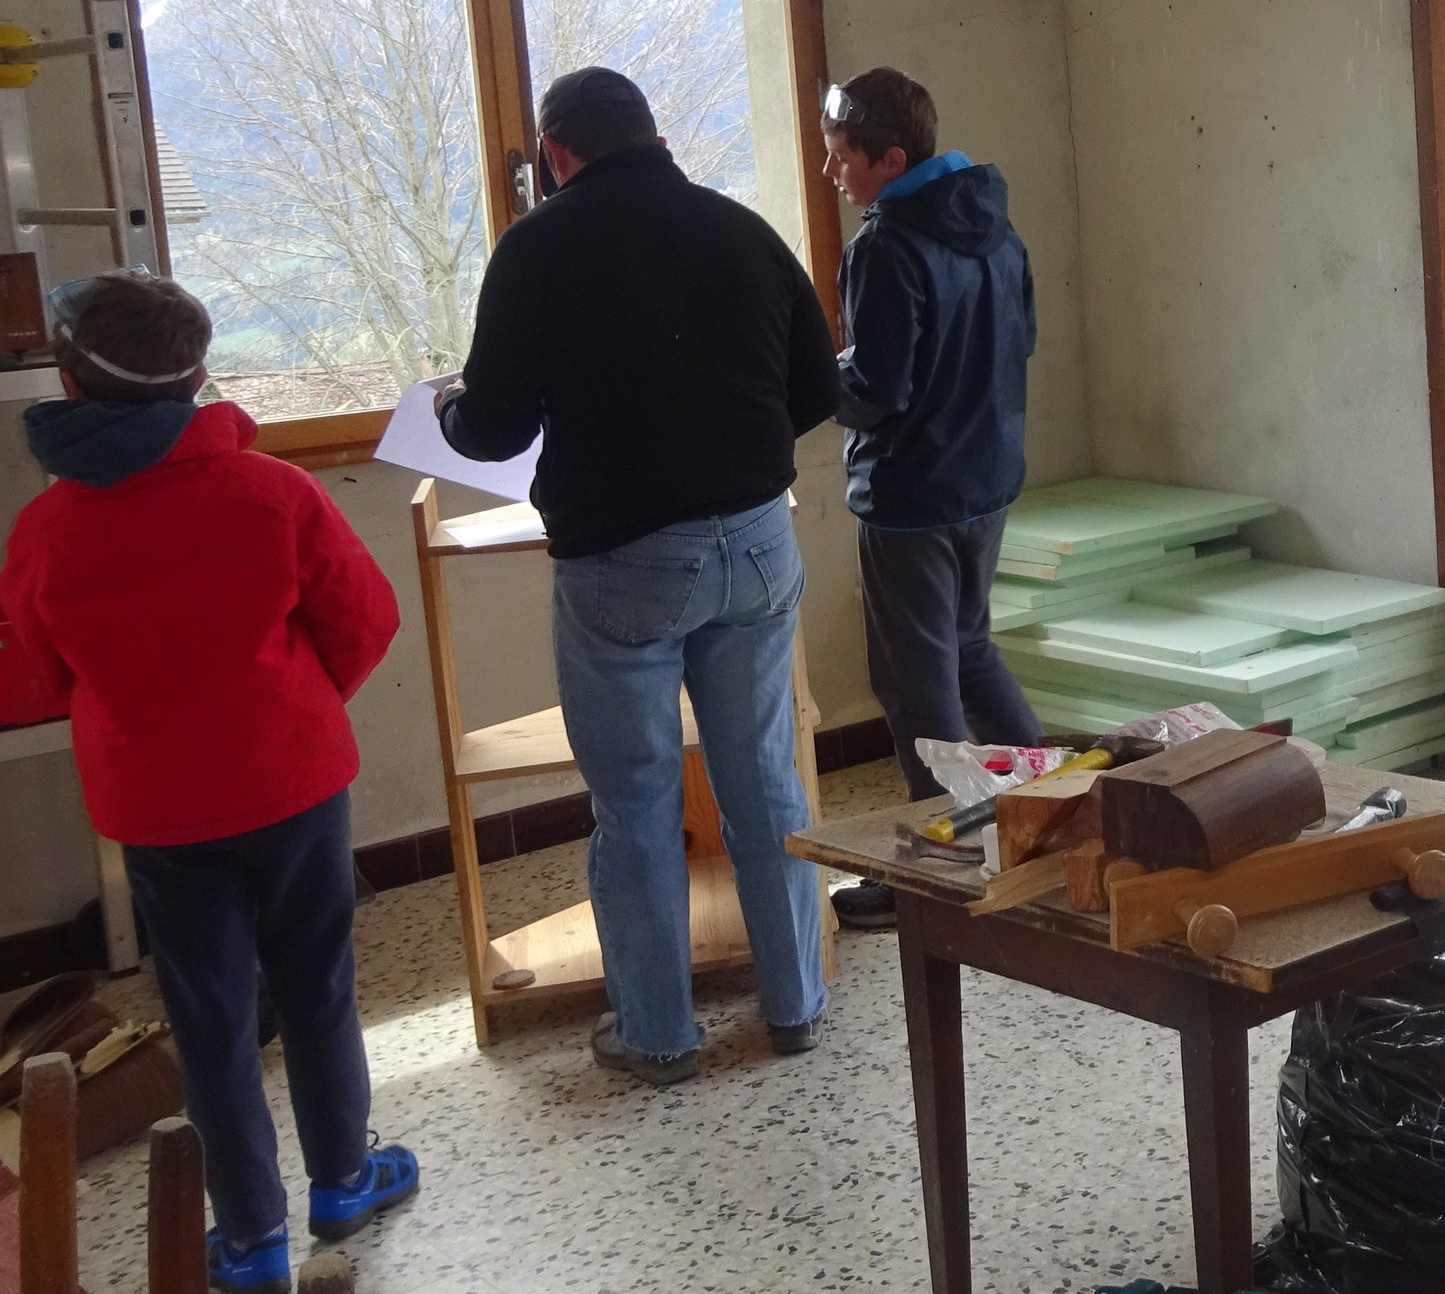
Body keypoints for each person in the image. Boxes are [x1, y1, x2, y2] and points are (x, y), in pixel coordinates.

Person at [0, 271, 414, 1294]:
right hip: (295, 779)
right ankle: (345, 1181)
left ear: (69, 382)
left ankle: (252, 1237)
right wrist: (295, 708)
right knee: (318, 987)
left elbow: (48, 673)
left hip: (159, 807)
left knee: (210, 1013)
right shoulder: (274, 492)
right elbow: (364, 620)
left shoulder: (47, 532)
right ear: (197, 379)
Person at [441, 67, 839, 1084]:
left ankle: (658, 1035)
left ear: (554, 153)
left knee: (636, 803)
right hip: (756, 541)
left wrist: (447, 408)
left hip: (621, 561)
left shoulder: (534, 248)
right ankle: (794, 1003)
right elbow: (812, 386)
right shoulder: (739, 227)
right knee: (763, 780)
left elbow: (490, 430)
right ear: (652, 134)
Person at [816, 68, 1040, 932]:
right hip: (987, 479)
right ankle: (1057, 805)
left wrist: (810, 379)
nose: (835, 175)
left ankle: (939, 868)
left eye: (843, 159)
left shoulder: (886, 246)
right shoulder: (996, 227)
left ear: (891, 157)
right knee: (969, 648)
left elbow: (875, 391)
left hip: (911, 493)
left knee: (917, 682)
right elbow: (1023, 341)